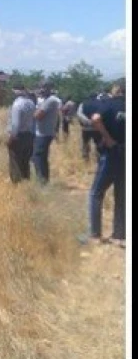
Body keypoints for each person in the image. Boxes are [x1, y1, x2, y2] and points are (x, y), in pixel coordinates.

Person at [81, 83, 125, 246]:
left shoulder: (110, 105)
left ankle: (95, 235)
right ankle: (120, 236)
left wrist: (107, 138)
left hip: (112, 153)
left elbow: (95, 119)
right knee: (122, 196)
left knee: (96, 193)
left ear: (117, 91)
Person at [31, 82, 62, 184]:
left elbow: (38, 116)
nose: (41, 90)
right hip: (43, 133)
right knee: (41, 157)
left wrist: (34, 108)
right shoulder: (45, 100)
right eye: (40, 87)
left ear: (50, 88)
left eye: (44, 88)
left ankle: (42, 181)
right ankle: (43, 180)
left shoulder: (50, 101)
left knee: (38, 157)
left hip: (44, 134)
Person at [7, 86, 36, 183]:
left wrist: (12, 137)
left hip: (18, 136)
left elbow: (15, 124)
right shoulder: (31, 103)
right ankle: (26, 182)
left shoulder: (17, 104)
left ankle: (16, 184)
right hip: (29, 135)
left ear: (16, 92)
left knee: (15, 161)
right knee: (25, 161)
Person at [77, 91, 107, 162]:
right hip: (97, 128)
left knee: (85, 143)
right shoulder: (101, 103)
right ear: (96, 96)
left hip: (86, 128)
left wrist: (87, 121)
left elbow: (79, 114)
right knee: (98, 144)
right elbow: (103, 113)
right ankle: (99, 159)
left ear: (89, 96)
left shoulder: (83, 103)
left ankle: (86, 159)